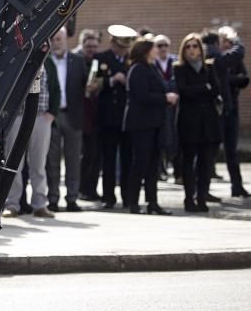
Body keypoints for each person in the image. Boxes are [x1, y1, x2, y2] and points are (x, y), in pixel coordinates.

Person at [123, 38, 177, 215]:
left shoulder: (152, 68)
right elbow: (141, 95)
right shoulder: (137, 69)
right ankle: (133, 202)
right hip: (141, 124)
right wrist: (165, 98)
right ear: (146, 50)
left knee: (154, 164)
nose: (157, 50)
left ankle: (152, 202)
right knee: (140, 163)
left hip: (155, 123)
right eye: (154, 47)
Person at [4, 53, 59, 219]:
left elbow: (55, 88)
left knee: (39, 163)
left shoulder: (48, 60)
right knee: (13, 163)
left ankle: (40, 204)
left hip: (41, 116)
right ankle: (12, 204)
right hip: (17, 116)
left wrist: (52, 114)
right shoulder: (14, 57)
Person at [174, 33, 223, 212]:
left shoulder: (209, 68)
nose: (192, 50)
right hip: (189, 121)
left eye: (195, 46)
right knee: (188, 162)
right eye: (188, 47)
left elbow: (216, 89)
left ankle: (201, 197)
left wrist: (202, 90)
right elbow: (185, 91)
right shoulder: (179, 69)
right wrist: (204, 88)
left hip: (208, 122)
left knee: (206, 162)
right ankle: (189, 198)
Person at [45, 26, 88, 213]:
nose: (56, 43)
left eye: (59, 39)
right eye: (53, 39)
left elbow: (86, 86)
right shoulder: (44, 62)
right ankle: (52, 198)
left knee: (73, 159)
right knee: (52, 160)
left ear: (66, 39)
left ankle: (72, 198)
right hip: (52, 116)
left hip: (73, 115)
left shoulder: (78, 61)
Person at [94, 24, 136, 209]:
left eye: (126, 46)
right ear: (112, 42)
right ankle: (108, 197)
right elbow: (91, 85)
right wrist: (112, 80)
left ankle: (127, 196)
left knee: (128, 158)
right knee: (109, 159)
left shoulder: (133, 60)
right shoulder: (101, 58)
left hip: (127, 117)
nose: (123, 50)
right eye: (121, 46)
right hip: (108, 117)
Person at [211, 26, 250, 197]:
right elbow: (238, 53)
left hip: (231, 106)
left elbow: (245, 79)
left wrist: (229, 80)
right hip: (216, 109)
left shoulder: (233, 61)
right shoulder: (215, 57)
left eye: (229, 42)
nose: (228, 45)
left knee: (232, 149)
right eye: (225, 41)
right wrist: (231, 80)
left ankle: (237, 185)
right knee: (211, 149)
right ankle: (201, 189)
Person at [76, 31, 102, 201]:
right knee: (81, 156)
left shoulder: (99, 63)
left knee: (95, 155)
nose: (91, 49)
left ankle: (91, 189)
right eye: (88, 46)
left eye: (94, 46)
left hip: (95, 116)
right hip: (79, 116)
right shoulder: (75, 61)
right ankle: (80, 189)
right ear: (82, 46)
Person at [153, 34, 179, 182]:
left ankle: (176, 171)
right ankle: (158, 171)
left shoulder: (175, 62)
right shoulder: (152, 64)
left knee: (174, 138)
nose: (162, 48)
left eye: (165, 45)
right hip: (159, 106)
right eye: (159, 45)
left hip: (174, 106)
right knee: (160, 139)